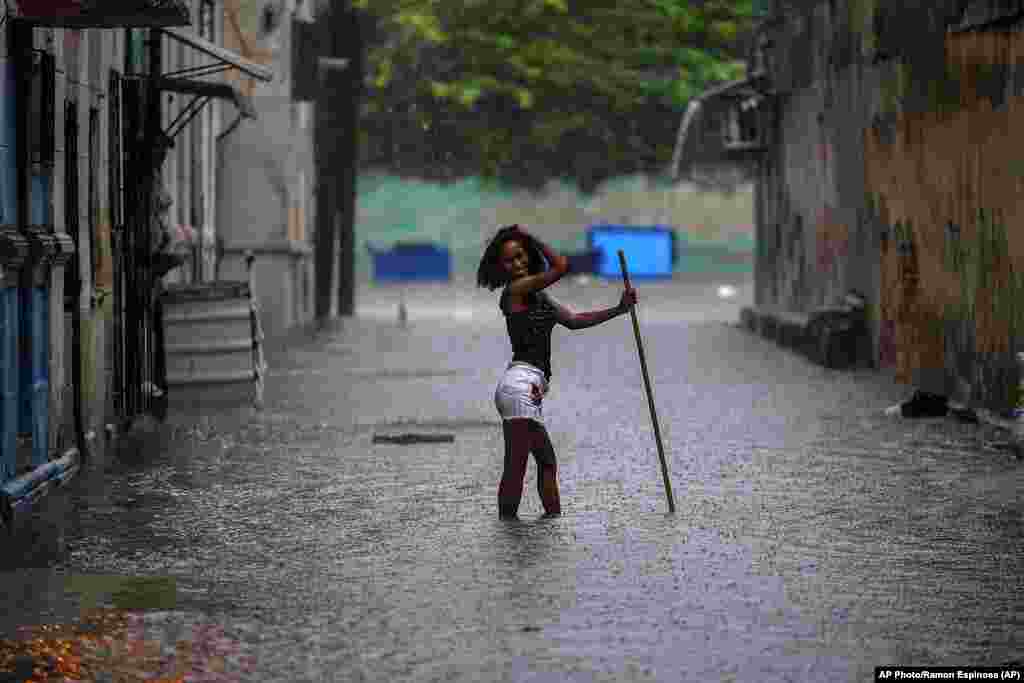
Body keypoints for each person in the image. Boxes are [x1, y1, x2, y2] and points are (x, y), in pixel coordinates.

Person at [476, 224, 638, 519]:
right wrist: (530, 235)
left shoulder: (540, 297)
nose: (519, 263)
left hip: (528, 389)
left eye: (522, 255)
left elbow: (575, 320)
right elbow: (562, 266)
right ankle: (508, 536)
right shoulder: (515, 291)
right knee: (516, 467)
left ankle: (550, 529)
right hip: (520, 387)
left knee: (547, 462)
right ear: (501, 267)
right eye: (510, 260)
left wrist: (619, 309)